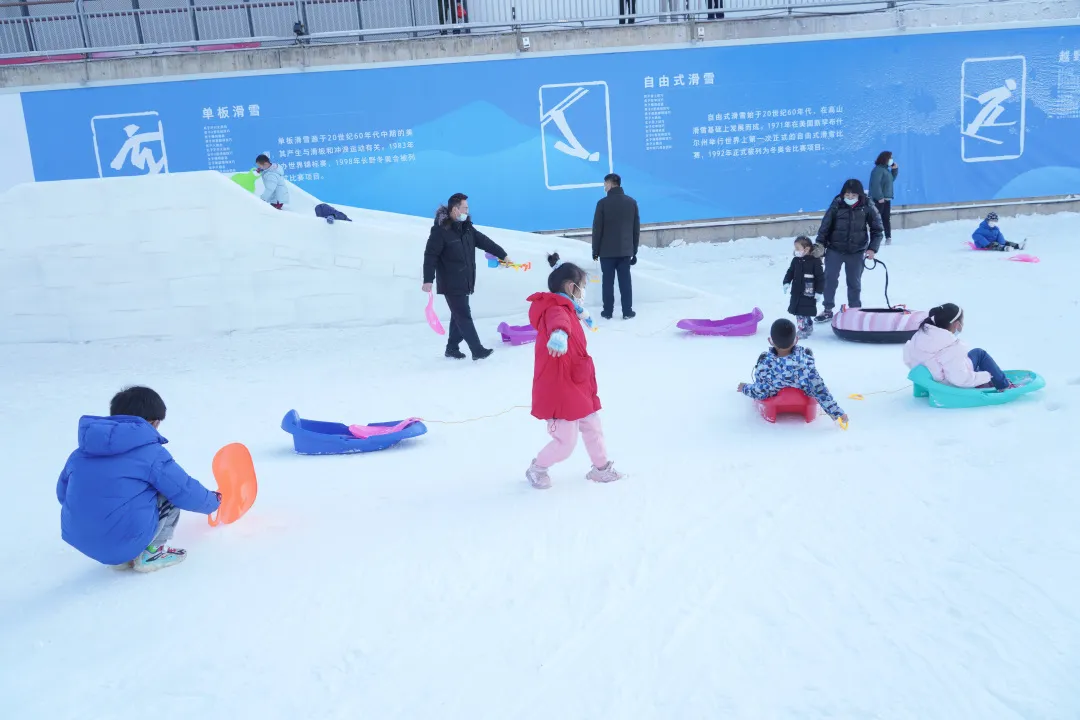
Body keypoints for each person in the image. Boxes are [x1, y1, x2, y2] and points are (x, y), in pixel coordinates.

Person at [56, 386, 221, 573]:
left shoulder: (80, 454)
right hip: (123, 541)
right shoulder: (150, 454)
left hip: (80, 539)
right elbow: (184, 490)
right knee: (168, 491)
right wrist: (214, 502)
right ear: (152, 423)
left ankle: (120, 557)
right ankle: (151, 553)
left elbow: (63, 494)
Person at [525, 253, 622, 490]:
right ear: (571, 287)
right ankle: (537, 468)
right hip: (560, 387)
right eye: (582, 286)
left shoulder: (569, 308)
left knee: (593, 426)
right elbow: (559, 321)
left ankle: (601, 469)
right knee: (566, 443)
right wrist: (559, 333)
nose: (583, 291)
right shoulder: (555, 308)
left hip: (578, 380)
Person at [422, 193, 511, 361]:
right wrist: (428, 279)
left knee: (458, 315)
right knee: (463, 315)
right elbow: (430, 255)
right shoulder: (440, 231)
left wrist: (503, 255)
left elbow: (485, 242)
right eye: (465, 208)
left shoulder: (467, 228)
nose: (467, 211)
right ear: (455, 210)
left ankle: (452, 348)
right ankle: (477, 350)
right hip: (450, 282)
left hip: (465, 281)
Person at [738, 318, 848, 424]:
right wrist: (838, 413)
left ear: (770, 341)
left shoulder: (766, 367)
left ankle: (768, 359)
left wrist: (745, 387)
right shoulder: (806, 366)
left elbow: (759, 391)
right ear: (796, 340)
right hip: (802, 381)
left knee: (763, 366)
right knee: (812, 374)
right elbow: (821, 391)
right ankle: (805, 360)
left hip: (774, 384)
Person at [813, 178, 884, 323]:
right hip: (835, 249)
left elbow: (877, 229)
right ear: (843, 194)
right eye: (847, 195)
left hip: (856, 251)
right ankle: (827, 309)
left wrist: (872, 248)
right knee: (829, 280)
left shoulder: (868, 206)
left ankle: (854, 310)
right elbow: (825, 227)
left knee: (854, 282)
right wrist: (820, 246)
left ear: (859, 195)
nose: (850, 197)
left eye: (853, 195)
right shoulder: (836, 205)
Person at [903, 303, 1015, 391]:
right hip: (947, 382)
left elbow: (909, 357)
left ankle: (991, 375)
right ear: (956, 324)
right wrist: (986, 376)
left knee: (971, 356)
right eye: (962, 321)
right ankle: (1003, 385)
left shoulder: (921, 335)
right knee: (980, 354)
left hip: (931, 376)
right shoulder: (951, 346)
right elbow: (960, 379)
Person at [592, 173, 640, 320]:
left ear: (611, 184)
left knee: (607, 283)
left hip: (606, 252)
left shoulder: (602, 204)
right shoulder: (631, 202)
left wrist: (595, 251)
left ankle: (607, 312)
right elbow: (635, 229)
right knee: (625, 282)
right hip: (625, 251)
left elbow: (597, 229)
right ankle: (627, 311)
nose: (604, 187)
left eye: (605, 184)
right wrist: (634, 251)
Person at [783, 236, 824, 340]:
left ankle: (803, 330)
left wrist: (819, 292)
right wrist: (786, 282)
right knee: (799, 311)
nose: (795, 250)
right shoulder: (796, 260)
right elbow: (790, 272)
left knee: (803, 312)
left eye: (798, 248)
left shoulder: (815, 262)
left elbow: (820, 278)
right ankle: (808, 326)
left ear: (806, 249)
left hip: (808, 291)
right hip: (796, 291)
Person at [869, 151, 898, 245]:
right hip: (880, 199)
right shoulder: (878, 170)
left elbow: (890, 180)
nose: (892, 160)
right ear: (885, 158)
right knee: (876, 219)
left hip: (886, 198)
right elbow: (875, 184)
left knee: (886, 218)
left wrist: (894, 170)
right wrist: (879, 197)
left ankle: (888, 237)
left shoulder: (886, 170)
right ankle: (874, 239)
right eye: (890, 158)